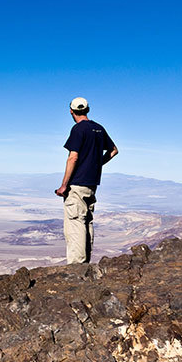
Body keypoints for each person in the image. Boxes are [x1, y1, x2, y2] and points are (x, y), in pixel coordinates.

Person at [55, 97, 118, 264]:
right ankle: (85, 263)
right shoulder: (99, 129)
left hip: (77, 183)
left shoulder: (78, 129)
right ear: (88, 109)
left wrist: (63, 185)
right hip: (92, 184)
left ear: (71, 111)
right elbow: (113, 151)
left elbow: (73, 158)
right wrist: (97, 165)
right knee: (87, 222)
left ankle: (77, 266)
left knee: (75, 223)